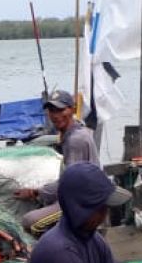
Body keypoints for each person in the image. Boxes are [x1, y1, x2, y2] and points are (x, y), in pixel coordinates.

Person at [14, 89, 101, 234]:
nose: (56, 115)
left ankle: (56, 250)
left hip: (80, 202)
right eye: (52, 110)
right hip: (74, 196)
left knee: (29, 221)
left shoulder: (75, 141)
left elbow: (69, 184)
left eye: (61, 110)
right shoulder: (74, 132)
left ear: (72, 109)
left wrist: (35, 192)